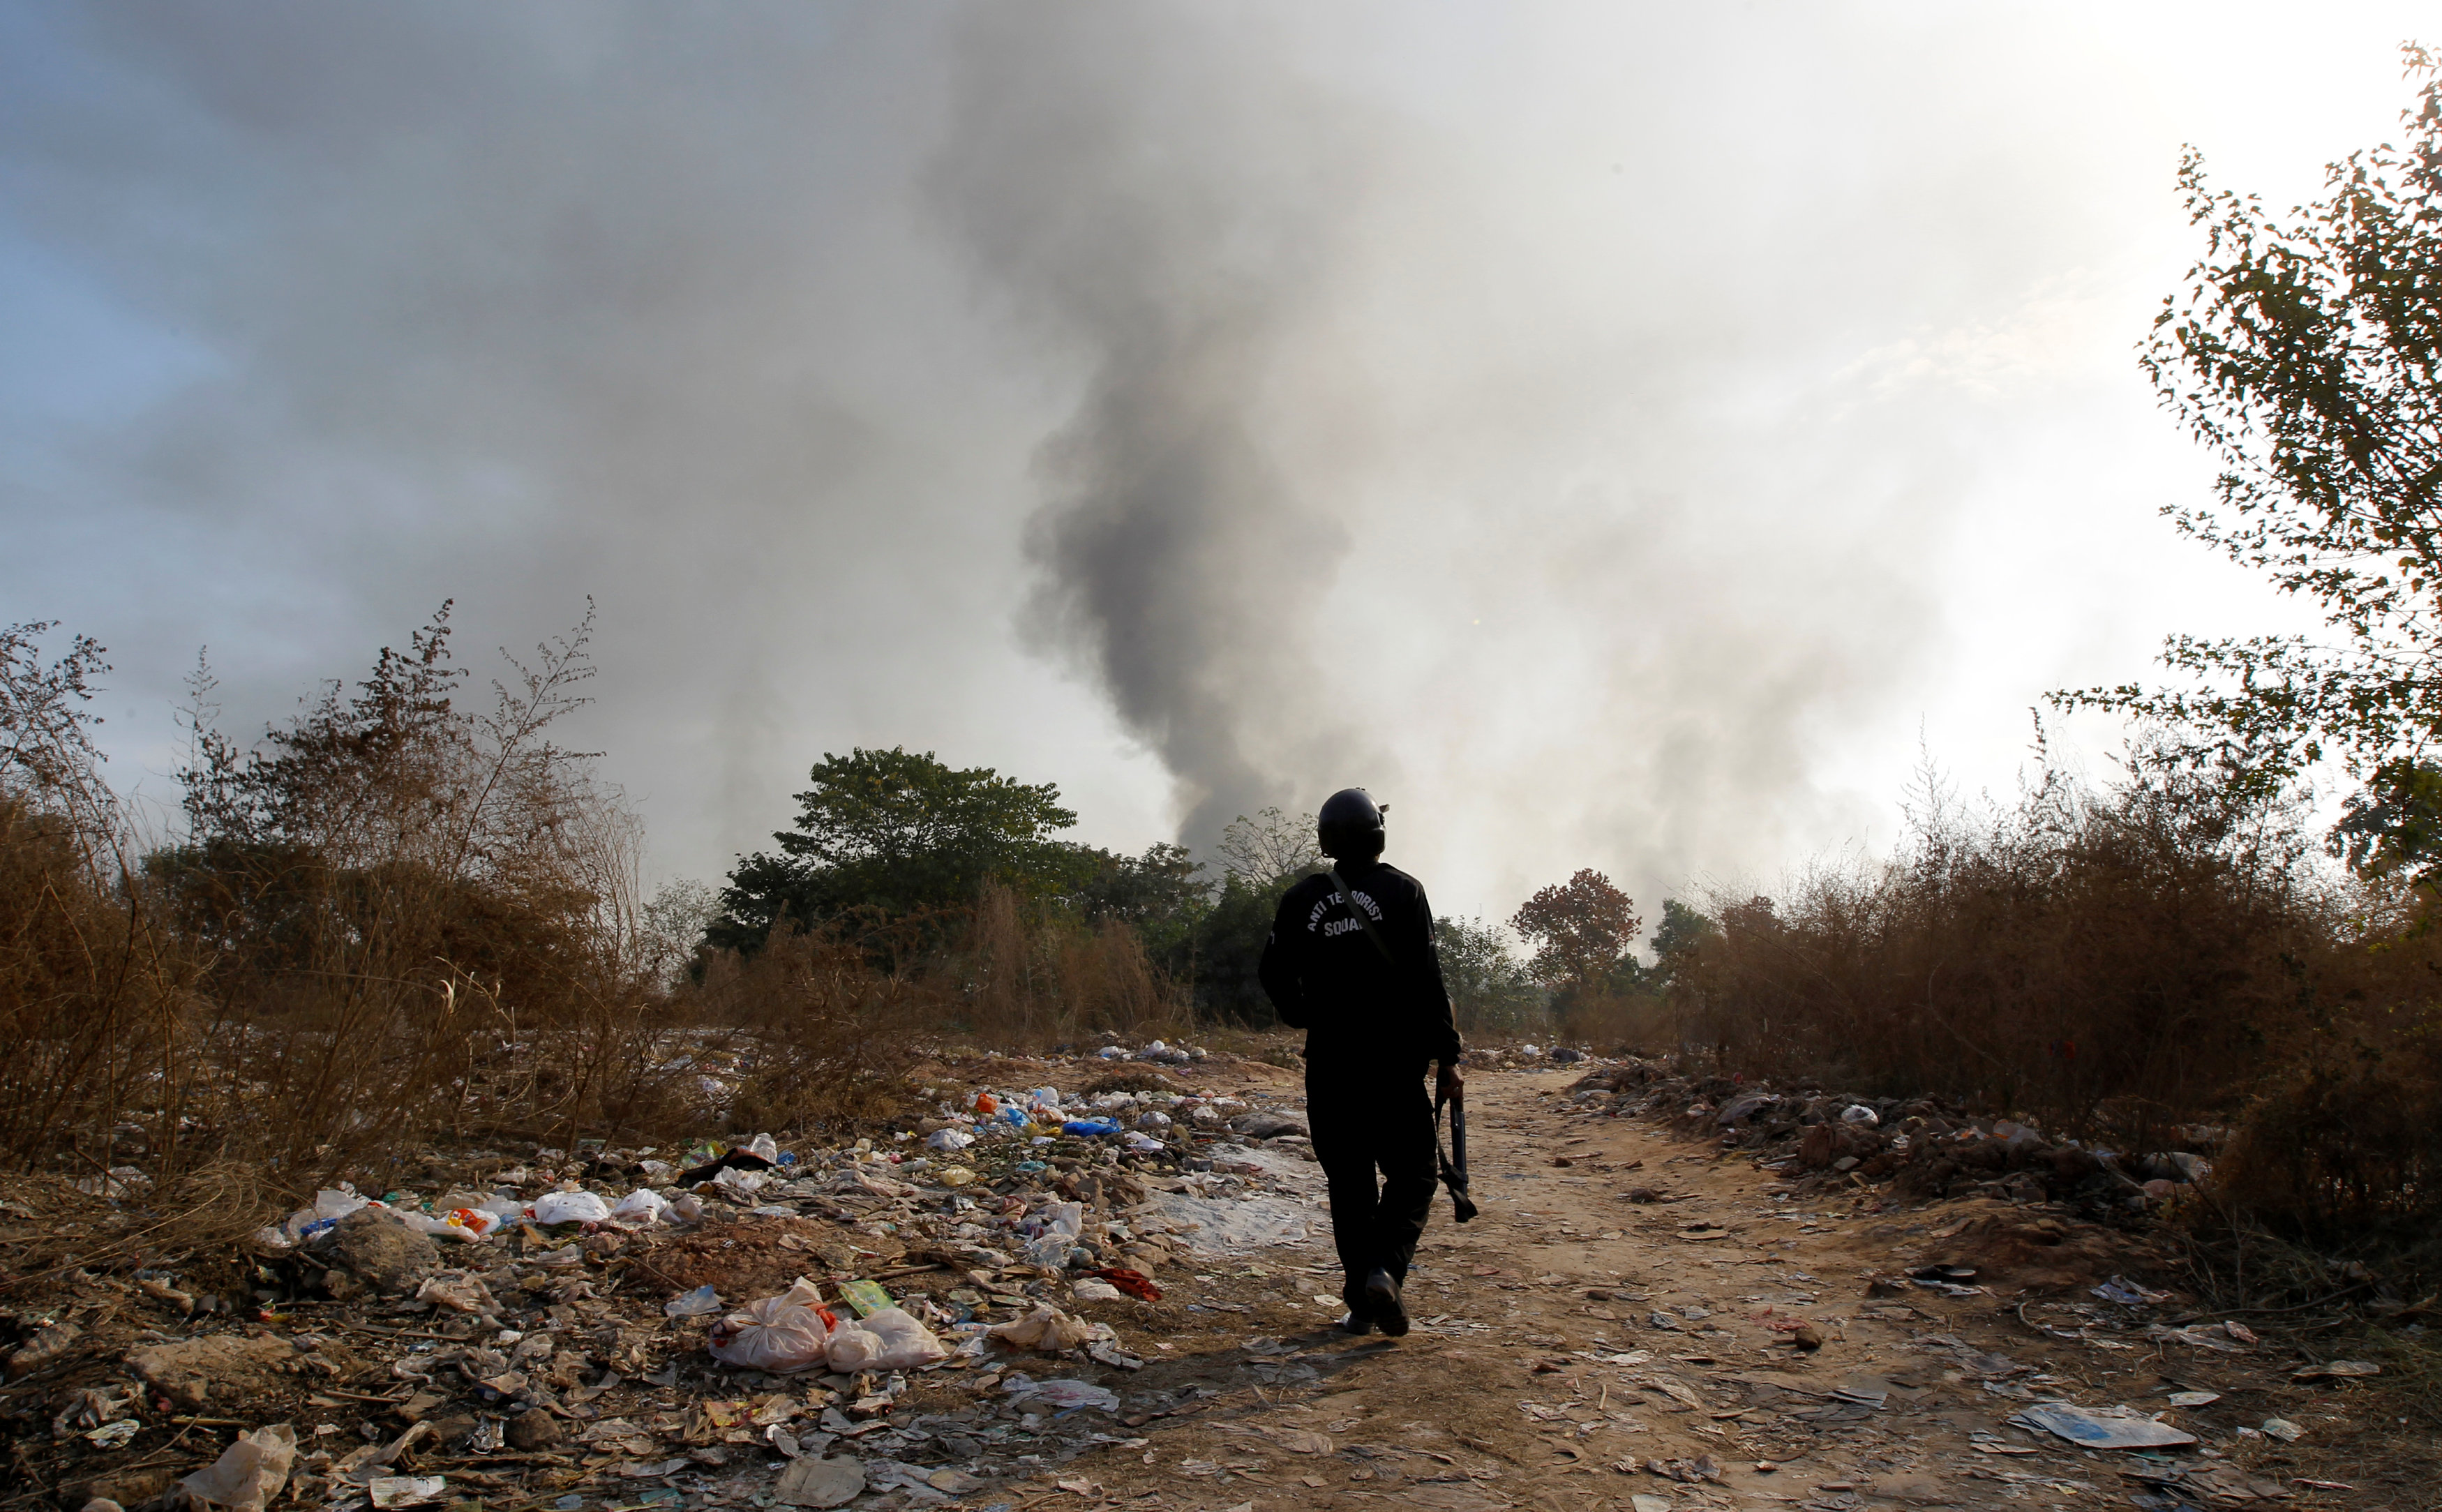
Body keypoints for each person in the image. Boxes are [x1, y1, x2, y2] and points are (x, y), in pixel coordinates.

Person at [1257, 787, 1462, 1337]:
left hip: (1330, 1067)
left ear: (1326, 838)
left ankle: (1361, 1301)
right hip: (1394, 1066)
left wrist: (1302, 1014)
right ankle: (1385, 1272)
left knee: (1349, 1184)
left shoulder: (1302, 898)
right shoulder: (1403, 891)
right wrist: (1449, 1057)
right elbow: (1428, 982)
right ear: (1378, 832)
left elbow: (1273, 972)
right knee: (1416, 1173)